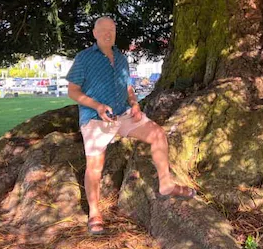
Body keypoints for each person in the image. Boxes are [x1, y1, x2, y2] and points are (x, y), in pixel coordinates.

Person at [67, 17, 196, 235]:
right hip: (96, 118)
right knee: (95, 165)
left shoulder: (120, 57)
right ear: (95, 33)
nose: (108, 33)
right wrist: (97, 106)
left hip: (123, 114)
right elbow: (73, 91)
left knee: (158, 134)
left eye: (112, 30)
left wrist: (135, 103)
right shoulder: (84, 58)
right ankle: (94, 212)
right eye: (103, 30)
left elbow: (127, 88)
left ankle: (166, 184)